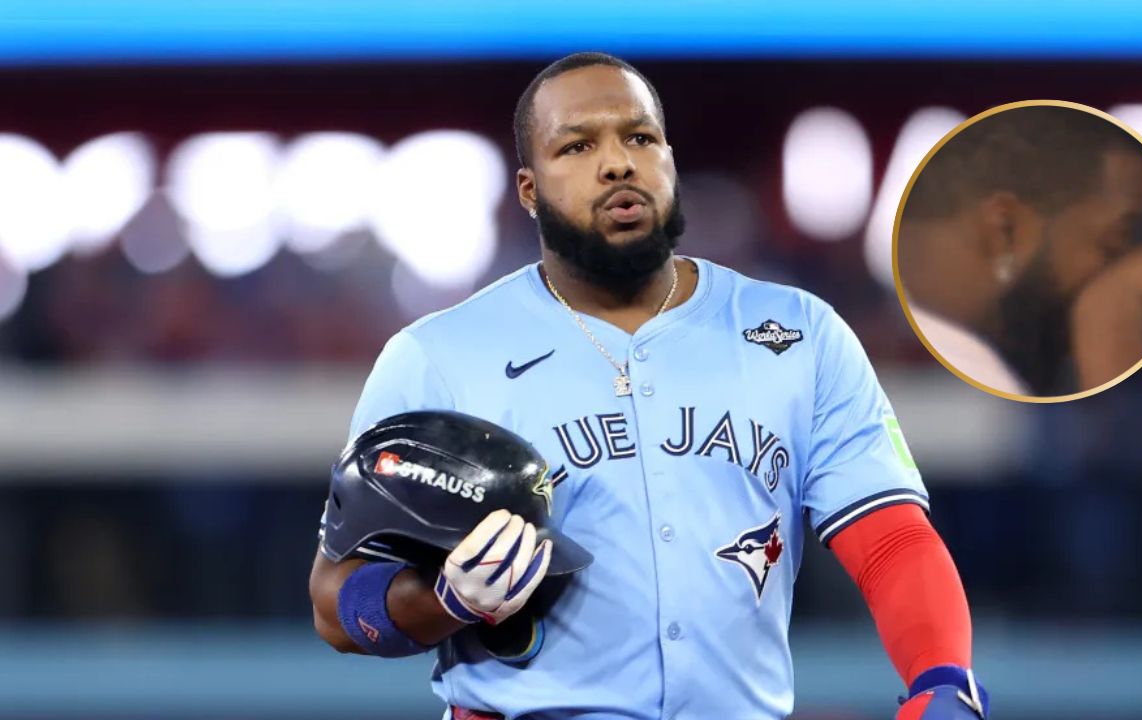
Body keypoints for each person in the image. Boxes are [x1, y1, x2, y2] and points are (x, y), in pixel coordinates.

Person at [309, 52, 987, 719]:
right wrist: (443, 603)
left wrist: (942, 678)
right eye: (576, 146)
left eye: (640, 137)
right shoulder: (437, 355)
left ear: (669, 158)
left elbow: (891, 539)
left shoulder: (798, 333)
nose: (617, 162)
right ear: (529, 189)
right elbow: (335, 601)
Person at [897, 105, 1142, 396]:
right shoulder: (972, 374)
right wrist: (1112, 310)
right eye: (1112, 243)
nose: (1125, 268)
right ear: (1006, 228)